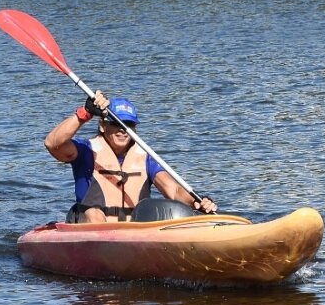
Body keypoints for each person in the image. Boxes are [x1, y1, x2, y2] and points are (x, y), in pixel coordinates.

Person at [45, 90, 217, 223]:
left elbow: (174, 190)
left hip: (133, 231)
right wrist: (85, 114)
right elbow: (53, 143)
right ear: (103, 126)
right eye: (116, 123)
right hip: (91, 227)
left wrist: (196, 202)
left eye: (128, 125)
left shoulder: (145, 157)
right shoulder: (86, 151)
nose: (122, 129)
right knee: (94, 213)